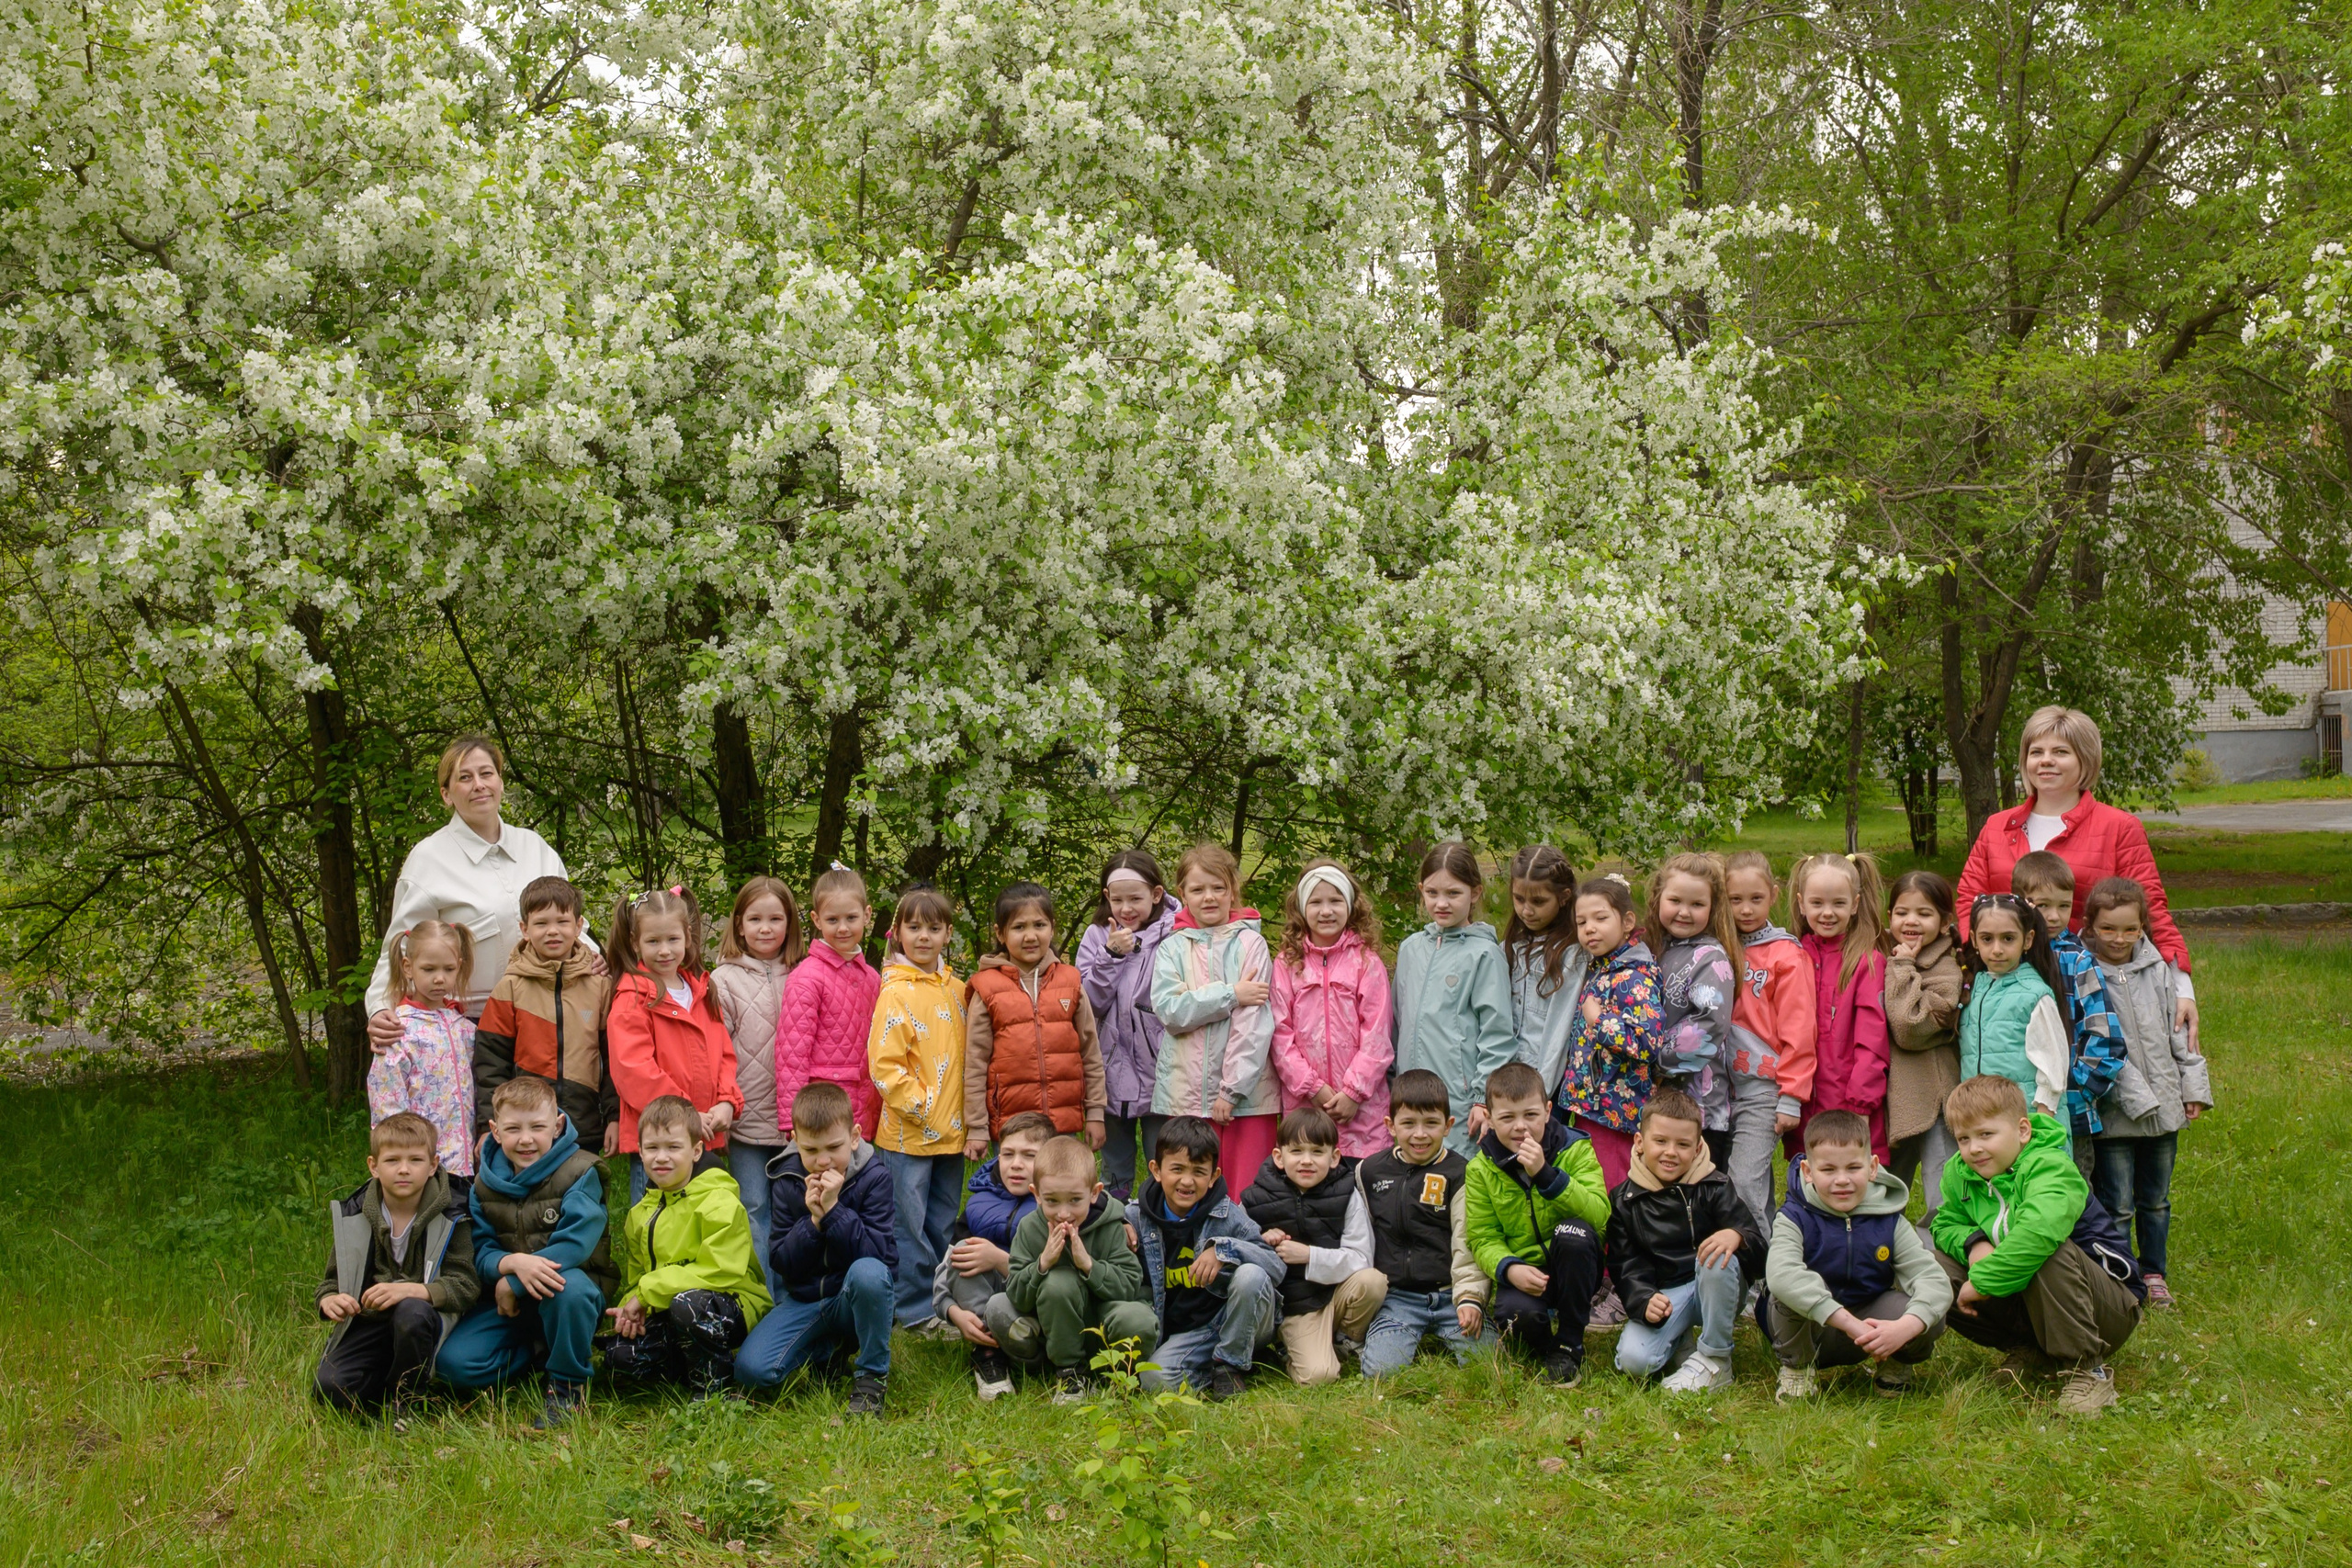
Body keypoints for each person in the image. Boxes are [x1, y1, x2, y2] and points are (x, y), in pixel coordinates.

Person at [1954, 705, 2197, 1046]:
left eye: (2060, 752)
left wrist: (2183, 988)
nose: (2046, 760)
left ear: (2085, 760)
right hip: (2005, 989)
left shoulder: (2120, 828)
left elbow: (2151, 909)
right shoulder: (1997, 826)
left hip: (2091, 989)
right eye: (2036, 752)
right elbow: (1968, 902)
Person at [1931, 1075, 2145, 1417]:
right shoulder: (1961, 1174)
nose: (1974, 1148)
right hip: (2034, 1300)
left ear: (2023, 1131)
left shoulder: (2051, 1167)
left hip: (2108, 1307)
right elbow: (1944, 1223)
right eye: (1963, 1138)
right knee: (1934, 1266)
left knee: (2047, 1251)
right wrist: (1974, 1244)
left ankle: (2087, 1371)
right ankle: (2031, 1350)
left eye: (1987, 1134)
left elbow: (2037, 1234)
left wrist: (1983, 1281)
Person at [366, 735, 590, 1049]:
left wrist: (596, 957)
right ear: (446, 794)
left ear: (500, 781)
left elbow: (573, 925)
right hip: (469, 1027)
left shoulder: (534, 847)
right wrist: (379, 1009)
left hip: (547, 1019)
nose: (479, 785)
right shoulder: (428, 860)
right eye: (465, 778)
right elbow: (401, 947)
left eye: (487, 773)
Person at [435, 1077, 616, 1429]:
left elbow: (575, 1245)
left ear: (558, 1125)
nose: (526, 1139)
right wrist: (509, 1265)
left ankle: (567, 1386)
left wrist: (512, 1284)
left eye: (537, 1127)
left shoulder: (581, 1171)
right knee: (453, 1365)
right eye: (514, 1129)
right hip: (509, 1303)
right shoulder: (483, 1183)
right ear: (495, 1131)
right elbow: (481, 1248)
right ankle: (539, 1352)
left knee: (570, 1289)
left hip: (568, 1291)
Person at [2082, 877, 2212, 1310]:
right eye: (2108, 929)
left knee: (2155, 1200)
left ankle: (2154, 1272)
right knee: (2116, 1204)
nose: (2119, 939)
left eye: (2129, 929)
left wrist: (2192, 1088)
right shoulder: (2083, 972)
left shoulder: (2158, 969)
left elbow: (2181, 1037)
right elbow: (2098, 1047)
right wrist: (2141, 1102)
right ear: (2090, 926)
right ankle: (2122, 1278)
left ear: (2142, 927)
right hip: (2115, 1115)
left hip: (2166, 1110)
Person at [1758, 1110, 1950, 1401]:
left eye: (1853, 1168)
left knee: (1929, 1312)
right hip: (1809, 1331)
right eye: (1829, 1170)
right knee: (1786, 1292)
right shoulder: (1794, 1217)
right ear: (1808, 1172)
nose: (1842, 1180)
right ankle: (1797, 1369)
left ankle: (1895, 1363)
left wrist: (1904, 1329)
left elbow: (1932, 1279)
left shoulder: (1890, 1220)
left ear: (1872, 1168)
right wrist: (1848, 1323)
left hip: (1869, 1327)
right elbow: (1782, 1275)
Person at [732, 1081, 897, 1416]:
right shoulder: (786, 1178)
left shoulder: (874, 1177)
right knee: (752, 1371)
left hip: (851, 1299)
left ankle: (871, 1376)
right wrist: (813, 1224)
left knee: (868, 1274)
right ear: (794, 1141)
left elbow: (881, 1261)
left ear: (854, 1137)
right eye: (811, 1150)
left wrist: (835, 1212)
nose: (823, 1161)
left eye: (834, 1147)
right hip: (805, 1299)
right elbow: (780, 1261)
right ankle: (824, 1351)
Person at [601, 1097, 772, 1396]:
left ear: (695, 1151)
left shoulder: (719, 1200)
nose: (661, 1157)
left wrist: (646, 1293)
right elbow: (640, 1277)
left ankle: (713, 1389)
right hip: (672, 1304)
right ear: (640, 1152)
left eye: (673, 1147)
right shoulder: (638, 1215)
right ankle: (686, 1364)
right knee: (619, 1355)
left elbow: (720, 1270)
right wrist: (632, 1308)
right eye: (652, 1148)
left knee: (688, 1305)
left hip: (731, 1303)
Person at [314, 1112, 479, 1415]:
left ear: (433, 1165)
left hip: (426, 1320)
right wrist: (329, 1300)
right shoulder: (355, 1214)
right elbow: (330, 1282)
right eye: (392, 1161)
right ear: (373, 1166)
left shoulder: (454, 1213)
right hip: (371, 1320)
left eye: (415, 1160)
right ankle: (389, 1381)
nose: (404, 1170)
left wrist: (414, 1291)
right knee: (329, 1389)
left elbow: (466, 1286)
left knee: (411, 1312)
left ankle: (409, 1401)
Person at [1608, 1087, 1767, 1393]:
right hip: (1667, 1296)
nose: (1671, 1152)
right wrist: (1642, 1299)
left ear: (1697, 1148)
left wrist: (1737, 1236)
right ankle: (1681, 1340)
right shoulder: (1624, 1200)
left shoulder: (1715, 1186)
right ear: (1640, 1142)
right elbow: (1624, 1263)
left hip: (1715, 1286)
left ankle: (1715, 1358)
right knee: (1633, 1361)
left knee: (1716, 1256)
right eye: (1661, 1141)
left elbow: (1760, 1254)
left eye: (1683, 1144)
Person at [1464, 1061, 1609, 1386]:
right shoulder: (1480, 1169)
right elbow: (1482, 1237)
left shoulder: (1575, 1148)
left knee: (1574, 1233)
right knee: (1517, 1321)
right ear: (1489, 1118)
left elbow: (1599, 1215)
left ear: (1547, 1111)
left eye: (1530, 1115)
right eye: (1507, 1118)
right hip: (1525, 1272)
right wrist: (1509, 1268)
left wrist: (1547, 1175)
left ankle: (1571, 1340)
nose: (1520, 1127)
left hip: (1573, 1264)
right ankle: (1549, 1347)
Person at [1125, 1115, 1286, 1400]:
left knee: (1251, 1276)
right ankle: (1215, 1371)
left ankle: (1230, 1364)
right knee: (1153, 1378)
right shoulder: (1137, 1217)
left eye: (1199, 1172)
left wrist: (1225, 1251)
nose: (1187, 1181)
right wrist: (1117, 1222)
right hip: (1189, 1332)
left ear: (1213, 1177)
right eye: (1177, 1169)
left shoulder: (1227, 1214)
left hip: (1234, 1319)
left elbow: (1274, 1266)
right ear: (1156, 1170)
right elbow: (1095, 1210)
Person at [867, 885, 968, 1334]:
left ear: (948, 933)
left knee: (942, 1221)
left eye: (933, 927)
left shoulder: (958, 990)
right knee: (906, 1224)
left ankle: (942, 1301)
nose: (923, 936)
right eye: (914, 927)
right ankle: (911, 1310)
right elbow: (885, 1066)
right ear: (898, 933)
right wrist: (922, 1107)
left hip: (953, 1132)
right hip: (909, 1135)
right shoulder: (895, 992)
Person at [1148, 845, 1280, 1190]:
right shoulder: (1172, 948)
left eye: (1218, 888)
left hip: (1246, 1100)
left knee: (1245, 1192)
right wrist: (1231, 994)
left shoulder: (1251, 944)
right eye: (1197, 889)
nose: (1209, 897)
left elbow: (1253, 1025)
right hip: (1186, 1095)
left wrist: (1231, 1090)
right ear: (1182, 894)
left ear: (1232, 890)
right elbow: (1171, 1011)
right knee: (1189, 1189)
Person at [605, 886, 743, 1205]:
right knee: (658, 1220)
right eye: (653, 941)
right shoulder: (633, 998)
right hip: (660, 1140)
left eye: (673, 940)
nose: (664, 950)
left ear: (688, 937)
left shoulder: (700, 990)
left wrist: (726, 1101)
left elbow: (723, 1053)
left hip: (703, 1136)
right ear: (635, 941)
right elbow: (634, 1071)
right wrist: (686, 1114)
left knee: (704, 1217)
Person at [1354, 1071, 1493, 1378]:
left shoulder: (1460, 1173)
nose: (1420, 1134)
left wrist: (1470, 1298)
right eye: (1408, 1124)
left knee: (1487, 1366)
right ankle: (1381, 1337)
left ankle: (1464, 1322)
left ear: (1447, 1126)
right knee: (1382, 1373)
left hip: (1450, 1294)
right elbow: (1359, 1238)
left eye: (1431, 1123)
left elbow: (1468, 1241)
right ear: (1391, 1126)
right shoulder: (1370, 1172)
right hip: (1398, 1297)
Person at [1004, 1135, 1159, 1402]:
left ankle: (1120, 1376)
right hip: (1058, 1330)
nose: (1064, 1213)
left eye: (1075, 1200)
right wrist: (1042, 1264)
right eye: (1052, 1201)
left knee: (1140, 1319)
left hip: (1105, 1321)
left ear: (1095, 1192)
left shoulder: (1111, 1225)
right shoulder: (1031, 1228)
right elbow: (1016, 1293)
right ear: (1036, 1195)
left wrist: (1089, 1265)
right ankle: (1070, 1375)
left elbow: (1131, 1285)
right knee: (1057, 1283)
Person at [1239, 1106, 1385, 1387]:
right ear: (1279, 1158)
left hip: (1335, 1296)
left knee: (1373, 1281)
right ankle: (1287, 1348)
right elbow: (1235, 1248)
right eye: (1297, 1152)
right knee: (1319, 1376)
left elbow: (1362, 1257)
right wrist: (1261, 1242)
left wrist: (1309, 1255)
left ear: (1334, 1157)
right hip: (1296, 1306)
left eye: (1317, 1152)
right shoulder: (1255, 1197)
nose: (1307, 1161)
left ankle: (1344, 1340)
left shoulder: (1347, 1193)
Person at [710, 875, 807, 1294]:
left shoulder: (806, 973)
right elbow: (717, 1049)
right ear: (738, 924)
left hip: (797, 1120)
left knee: (797, 1208)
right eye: (754, 919)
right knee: (754, 1207)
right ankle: (763, 1295)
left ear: (791, 924)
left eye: (775, 918)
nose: (765, 928)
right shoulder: (724, 979)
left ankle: (796, 1294)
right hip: (747, 1117)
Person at [1393, 842, 1518, 1157]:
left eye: (1453, 893)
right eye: (1432, 893)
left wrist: (1480, 1098)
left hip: (1459, 1103)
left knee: (1454, 1182)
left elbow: (1497, 1032)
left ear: (1475, 893)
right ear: (1421, 890)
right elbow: (1397, 1019)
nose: (1442, 903)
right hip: (1409, 1095)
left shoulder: (1485, 955)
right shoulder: (1410, 949)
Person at [967, 883, 1108, 1160]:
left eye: (1039, 925)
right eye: (1019, 927)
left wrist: (1096, 1112)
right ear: (1000, 933)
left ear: (1052, 928)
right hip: (1011, 1125)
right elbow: (974, 1063)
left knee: (1060, 1192)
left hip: (1063, 1123)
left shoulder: (1070, 982)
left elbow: (1090, 1052)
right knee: (1014, 1197)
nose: (1030, 936)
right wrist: (976, 1126)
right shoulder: (986, 988)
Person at [474, 875, 613, 1156]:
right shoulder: (509, 988)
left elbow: (614, 1061)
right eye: (541, 923)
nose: (553, 931)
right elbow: (490, 1063)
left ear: (578, 926)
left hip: (584, 1127)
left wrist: (615, 1117)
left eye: (562, 922)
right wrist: (488, 1124)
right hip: (525, 1129)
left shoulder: (600, 986)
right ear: (525, 929)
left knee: (582, 1195)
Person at [1269, 860, 1394, 1158]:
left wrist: (1352, 1092)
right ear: (1302, 908)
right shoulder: (1287, 964)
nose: (1326, 911)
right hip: (1306, 1107)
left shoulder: (1367, 962)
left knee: (1364, 1192)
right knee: (1310, 1185)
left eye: (1335, 901)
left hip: (1362, 1111)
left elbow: (1378, 1036)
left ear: (1350, 905)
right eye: (1316, 902)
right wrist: (1312, 1088)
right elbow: (1279, 1036)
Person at [2011, 852, 2129, 1164]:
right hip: (2009, 1117)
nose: (2053, 916)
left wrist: (2076, 1090)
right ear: (2020, 902)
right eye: (2042, 905)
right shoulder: (2005, 957)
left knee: (2072, 1199)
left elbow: (2107, 1038)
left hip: (2071, 1112)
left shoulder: (2076, 960)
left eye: (2064, 906)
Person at [1077, 850, 1182, 1200]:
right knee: (1115, 1170)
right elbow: (1088, 1004)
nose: (1126, 909)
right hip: (1110, 1072)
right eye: (1117, 899)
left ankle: (1163, 1235)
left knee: (1165, 1163)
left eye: (1135, 899)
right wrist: (1110, 956)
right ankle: (1117, 1235)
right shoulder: (1096, 936)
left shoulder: (1177, 934)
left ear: (1156, 894)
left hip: (1161, 1073)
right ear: (1106, 897)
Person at [1722, 851, 1815, 1235]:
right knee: (1742, 1185)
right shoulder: (1719, 946)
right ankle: (1766, 1265)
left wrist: (1790, 1096)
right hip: (1718, 1090)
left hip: (1763, 1090)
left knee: (1742, 1182)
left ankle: (1765, 1273)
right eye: (1734, 899)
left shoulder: (1787, 955)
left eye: (1755, 899)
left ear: (1774, 895)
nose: (1745, 909)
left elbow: (1800, 1029)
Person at [1554, 874, 1662, 1190]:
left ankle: (1612, 1240)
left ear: (1627, 921)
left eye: (1600, 918)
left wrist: (1598, 1021)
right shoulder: (1603, 967)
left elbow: (1647, 1041)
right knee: (1590, 1181)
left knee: (1610, 1186)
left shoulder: (1633, 975)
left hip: (1618, 1113)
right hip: (1594, 1106)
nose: (1589, 928)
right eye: (1581, 921)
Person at [935, 1111, 1053, 1399]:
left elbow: (1059, 1275)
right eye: (1007, 1154)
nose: (1016, 1164)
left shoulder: (1056, 1204)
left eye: (1029, 1155)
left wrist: (1000, 1260)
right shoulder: (978, 1205)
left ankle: (1049, 1357)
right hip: (988, 1309)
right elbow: (946, 1267)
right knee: (965, 1249)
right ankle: (988, 1354)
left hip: (1039, 1307)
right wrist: (953, 1312)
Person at [1791, 852, 1891, 1161]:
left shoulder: (1866, 963)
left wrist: (1860, 1107)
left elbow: (1872, 1042)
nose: (1827, 913)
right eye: (1817, 903)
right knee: (1810, 1188)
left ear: (1856, 904)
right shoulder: (1793, 955)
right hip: (1806, 1107)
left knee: (1852, 1189)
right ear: (1801, 903)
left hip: (1852, 1109)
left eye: (1838, 904)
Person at [1645, 852, 1742, 1166]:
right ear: (1659, 898)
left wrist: (1652, 1061)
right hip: (1660, 1104)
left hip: (1700, 1108)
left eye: (1697, 904)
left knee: (1698, 1196)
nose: (1684, 912)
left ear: (1712, 907)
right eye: (1675, 900)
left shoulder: (1710, 958)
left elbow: (1709, 1026)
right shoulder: (1655, 950)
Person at [775, 864, 884, 1140]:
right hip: (823, 1108)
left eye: (851, 917)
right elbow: (792, 1053)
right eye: (833, 920)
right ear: (816, 919)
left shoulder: (873, 978)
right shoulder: (806, 978)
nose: (843, 928)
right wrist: (793, 1119)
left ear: (867, 915)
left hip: (867, 1107)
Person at [369, 921, 479, 1177]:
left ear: (459, 967)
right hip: (419, 1168)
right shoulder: (398, 1031)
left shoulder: (465, 1029)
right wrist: (401, 1160)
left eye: (448, 969)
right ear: (408, 967)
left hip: (466, 1165)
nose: (439, 978)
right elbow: (388, 1107)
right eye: (428, 969)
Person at [1883, 870, 1962, 1215]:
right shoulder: (1880, 955)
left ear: (1945, 923)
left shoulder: (1947, 969)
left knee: (1941, 1189)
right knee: (1885, 1188)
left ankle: (1943, 1263)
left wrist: (1903, 965)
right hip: (1891, 1095)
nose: (1911, 921)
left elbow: (1909, 1026)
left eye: (1924, 913)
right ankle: (1885, 1257)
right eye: (1902, 913)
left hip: (1933, 1097)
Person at [1956, 894, 2070, 1126]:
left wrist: (2041, 1130)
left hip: (2028, 1123)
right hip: (1981, 1120)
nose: (1997, 949)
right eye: (1987, 939)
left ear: (2027, 940)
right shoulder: (1972, 988)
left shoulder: (2034, 994)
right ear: (1974, 940)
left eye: (2008, 938)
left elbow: (2053, 1068)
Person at [1502, 845, 1589, 1100]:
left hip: (1543, 1090)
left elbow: (1559, 1033)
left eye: (1538, 901)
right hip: (1505, 1082)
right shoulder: (1510, 946)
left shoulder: (1573, 956)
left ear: (1564, 897)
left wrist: (1539, 1095)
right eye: (1519, 899)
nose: (1526, 910)